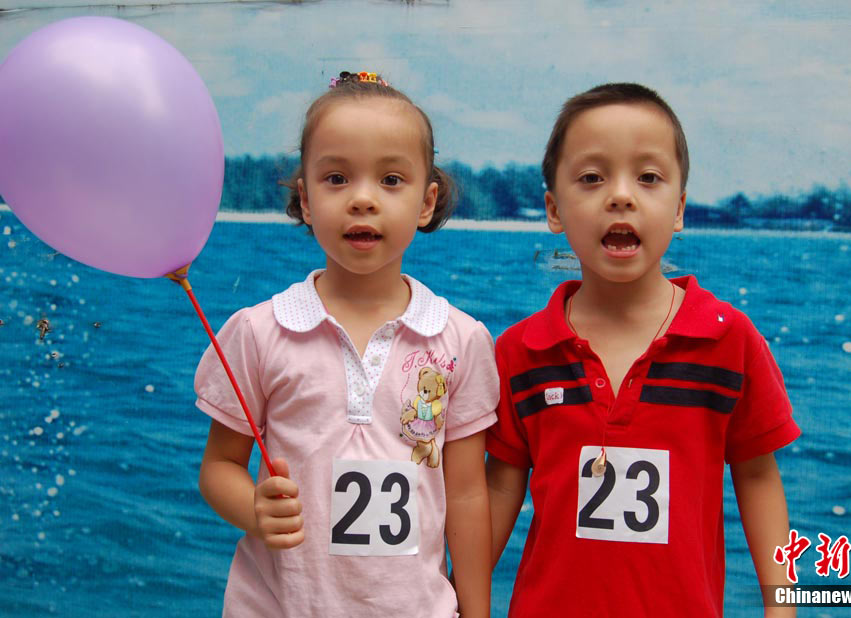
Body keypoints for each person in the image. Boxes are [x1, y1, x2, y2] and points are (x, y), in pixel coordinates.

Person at [485, 83, 800, 617]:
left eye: (648, 177)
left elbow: (758, 477)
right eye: (592, 178)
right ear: (554, 210)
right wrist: (457, 595)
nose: (621, 195)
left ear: (679, 209)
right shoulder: (521, 352)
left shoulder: (729, 340)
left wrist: (783, 606)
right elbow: (499, 489)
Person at [195, 72, 498, 618]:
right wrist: (253, 508)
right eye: (336, 178)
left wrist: (476, 611)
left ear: (426, 201)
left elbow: (467, 495)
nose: (362, 199)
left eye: (391, 179)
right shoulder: (260, 331)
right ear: (306, 200)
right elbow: (219, 467)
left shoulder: (461, 338)